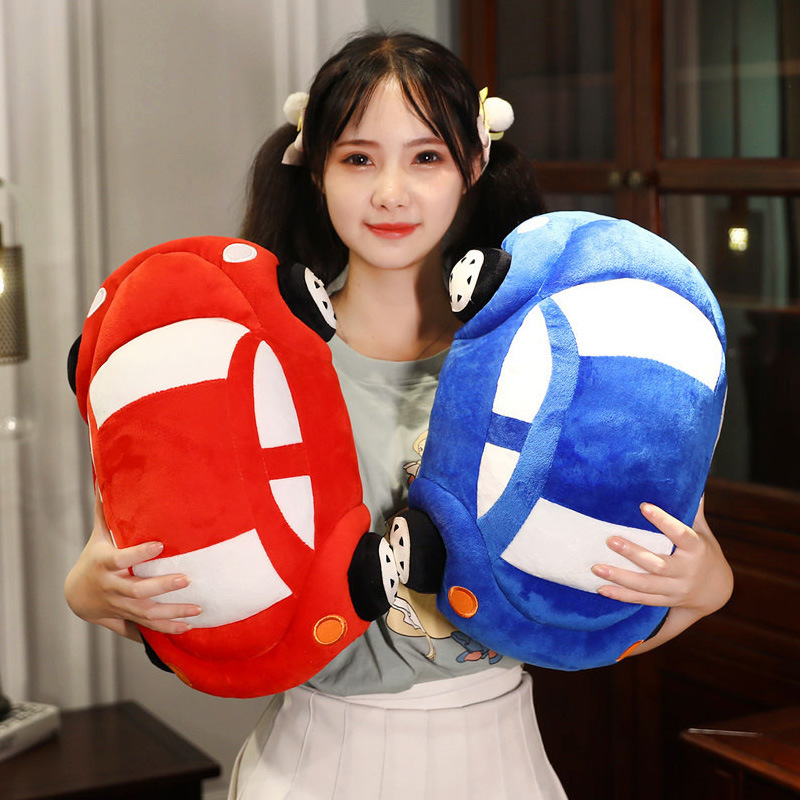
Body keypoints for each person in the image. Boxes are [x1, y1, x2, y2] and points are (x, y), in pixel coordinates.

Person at [64, 30, 733, 800]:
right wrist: (94, 588)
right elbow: (116, 571)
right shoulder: (250, 362)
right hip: (312, 758)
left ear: (473, 166)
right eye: (358, 158)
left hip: (499, 755)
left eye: (426, 158)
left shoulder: (542, 358)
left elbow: (698, 578)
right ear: (315, 168)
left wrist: (698, 579)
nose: (390, 192)